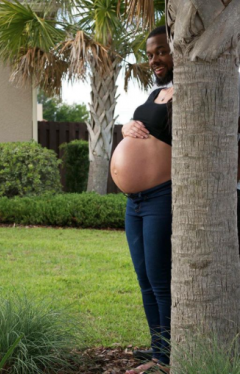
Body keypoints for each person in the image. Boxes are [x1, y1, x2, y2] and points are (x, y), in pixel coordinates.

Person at [110, 25, 173, 374]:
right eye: (150, 55)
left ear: (178, 49)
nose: (155, 60)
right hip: (134, 202)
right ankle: (157, 347)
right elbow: (139, 126)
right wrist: (126, 128)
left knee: (161, 277)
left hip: (161, 196)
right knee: (144, 276)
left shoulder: (192, 91)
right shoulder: (155, 93)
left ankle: (165, 359)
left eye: (161, 51)